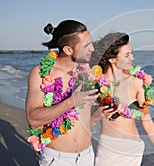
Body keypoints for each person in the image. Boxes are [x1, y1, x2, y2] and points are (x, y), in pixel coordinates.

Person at [26, 20, 99, 166]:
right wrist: (71, 101)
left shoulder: (87, 73)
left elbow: (85, 122)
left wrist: (101, 112)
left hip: (87, 156)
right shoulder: (40, 73)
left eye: (91, 43)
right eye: (86, 46)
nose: (92, 49)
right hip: (57, 159)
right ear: (67, 50)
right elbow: (33, 119)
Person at [91, 32, 154, 166]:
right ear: (112, 59)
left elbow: (147, 121)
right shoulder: (96, 83)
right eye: (127, 55)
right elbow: (85, 124)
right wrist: (97, 115)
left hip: (132, 149)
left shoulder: (136, 82)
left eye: (132, 53)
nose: (132, 58)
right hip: (107, 149)